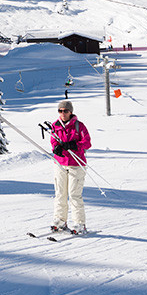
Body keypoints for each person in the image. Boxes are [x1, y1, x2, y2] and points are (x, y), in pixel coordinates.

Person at [49, 100, 92, 234]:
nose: (63, 113)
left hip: (76, 164)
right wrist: (56, 148)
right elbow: (53, 140)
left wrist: (74, 145)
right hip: (60, 164)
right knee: (60, 193)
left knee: (74, 194)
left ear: (70, 112)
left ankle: (79, 224)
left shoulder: (79, 126)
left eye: (65, 111)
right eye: (60, 111)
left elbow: (87, 142)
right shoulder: (55, 125)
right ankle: (60, 220)